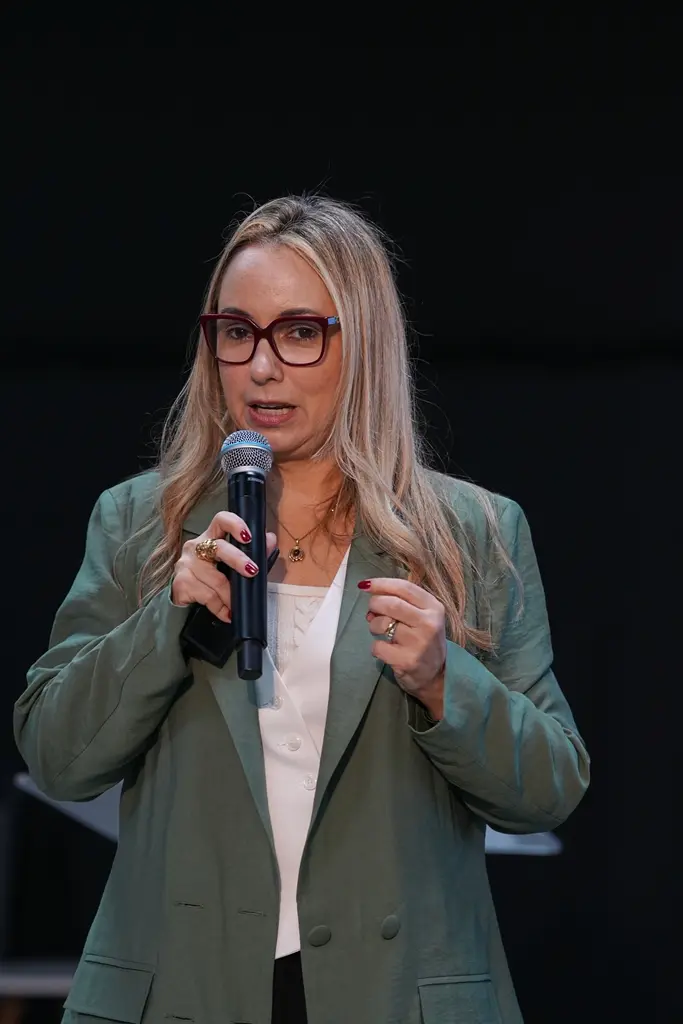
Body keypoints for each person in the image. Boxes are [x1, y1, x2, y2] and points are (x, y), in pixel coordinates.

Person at [14, 195, 590, 1024]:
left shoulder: (470, 533)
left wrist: (442, 681)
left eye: (298, 331)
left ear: (362, 345)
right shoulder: (142, 522)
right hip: (184, 991)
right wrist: (162, 626)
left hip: (393, 999)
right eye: (236, 330)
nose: (260, 367)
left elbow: (549, 788)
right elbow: (58, 756)